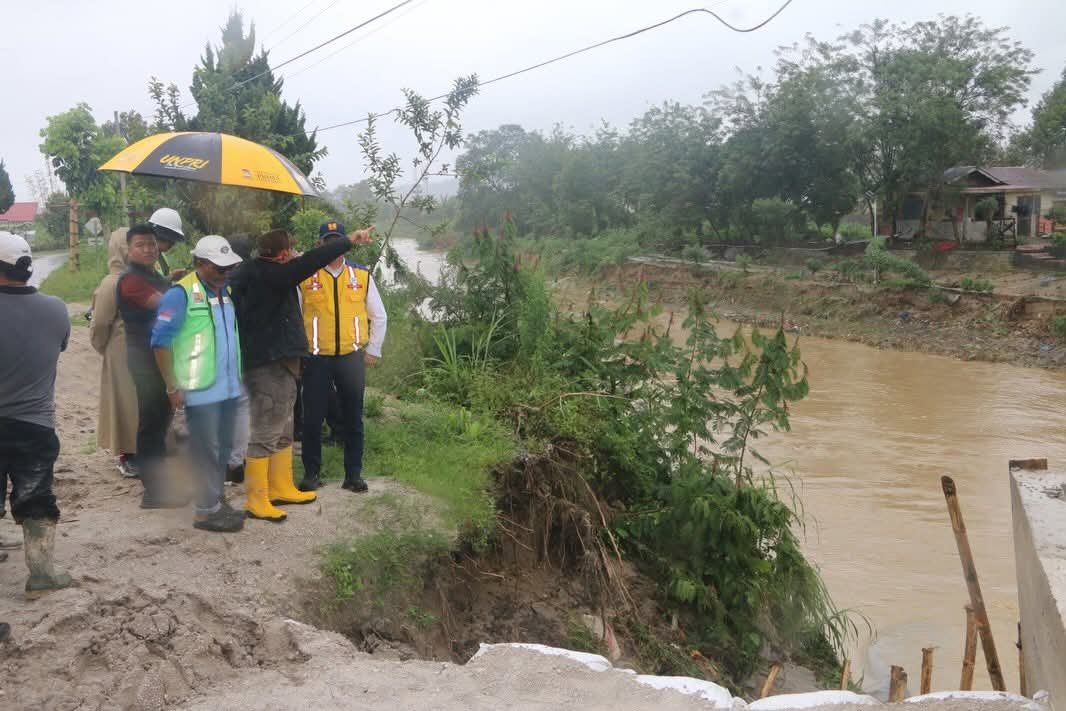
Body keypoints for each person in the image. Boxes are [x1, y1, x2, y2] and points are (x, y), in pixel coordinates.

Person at [229, 225, 373, 521]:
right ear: (283, 255)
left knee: (283, 427)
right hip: (267, 364)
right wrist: (349, 240)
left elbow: (304, 261)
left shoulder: (258, 271)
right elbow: (311, 262)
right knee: (266, 430)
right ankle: (257, 498)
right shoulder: (273, 276)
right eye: (291, 251)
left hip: (282, 363)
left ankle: (281, 486)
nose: (296, 254)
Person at [152, 236, 246, 532]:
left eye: (229, 267)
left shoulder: (224, 290)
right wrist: (171, 387)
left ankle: (215, 500)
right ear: (200, 264)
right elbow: (160, 343)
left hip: (228, 386)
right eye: (219, 268)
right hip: (200, 389)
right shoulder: (179, 295)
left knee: (222, 450)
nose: (225, 272)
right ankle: (205, 512)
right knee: (206, 450)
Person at [0, 232, 73, 599]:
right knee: (36, 496)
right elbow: (59, 345)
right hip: (35, 424)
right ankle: (41, 574)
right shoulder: (57, 309)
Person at [297, 222, 387, 493]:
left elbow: (379, 315)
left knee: (353, 417)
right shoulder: (306, 276)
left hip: (351, 357)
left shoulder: (360, 275)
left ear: (346, 243)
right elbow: (295, 318)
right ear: (320, 245)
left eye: (337, 240)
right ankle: (312, 474)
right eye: (328, 242)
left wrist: (373, 348)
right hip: (316, 357)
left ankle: (354, 475)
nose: (333, 247)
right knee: (312, 419)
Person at [118, 225, 187, 509]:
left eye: (152, 244)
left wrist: (170, 280)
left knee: (160, 421)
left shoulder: (151, 274)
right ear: (129, 249)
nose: (148, 249)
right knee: (152, 422)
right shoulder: (131, 280)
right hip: (145, 359)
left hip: (160, 355)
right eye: (141, 245)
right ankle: (154, 492)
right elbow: (164, 307)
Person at [90, 228, 139, 477]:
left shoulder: (112, 282)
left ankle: (130, 455)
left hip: (120, 349)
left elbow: (99, 324)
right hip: (140, 350)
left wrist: (102, 347)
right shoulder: (144, 278)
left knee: (124, 403)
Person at [224, 234, 254, 485]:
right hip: (249, 352)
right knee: (242, 407)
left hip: (224, 349)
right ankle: (236, 461)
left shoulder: (221, 281)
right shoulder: (258, 277)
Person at [148, 207, 188, 281]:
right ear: (161, 235)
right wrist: (171, 277)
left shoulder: (161, 256)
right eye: (171, 240)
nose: (173, 244)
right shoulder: (143, 256)